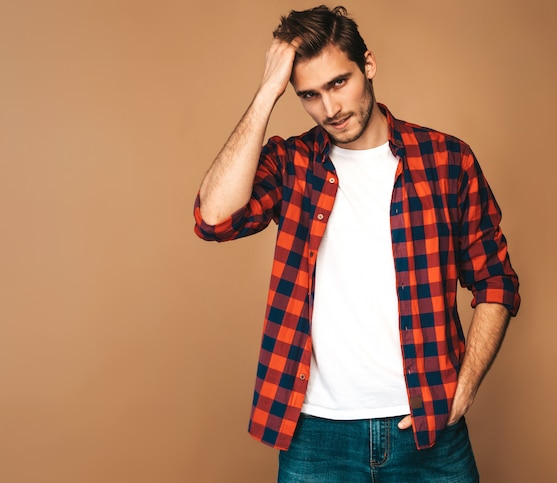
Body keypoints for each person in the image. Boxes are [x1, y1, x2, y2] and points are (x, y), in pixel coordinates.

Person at [194, 5, 520, 482]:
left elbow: (495, 280)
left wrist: (465, 385)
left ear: (368, 65)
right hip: (315, 436)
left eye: (339, 83)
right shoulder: (292, 164)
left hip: (427, 429)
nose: (330, 109)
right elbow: (213, 218)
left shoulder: (446, 160)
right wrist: (267, 92)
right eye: (309, 95)